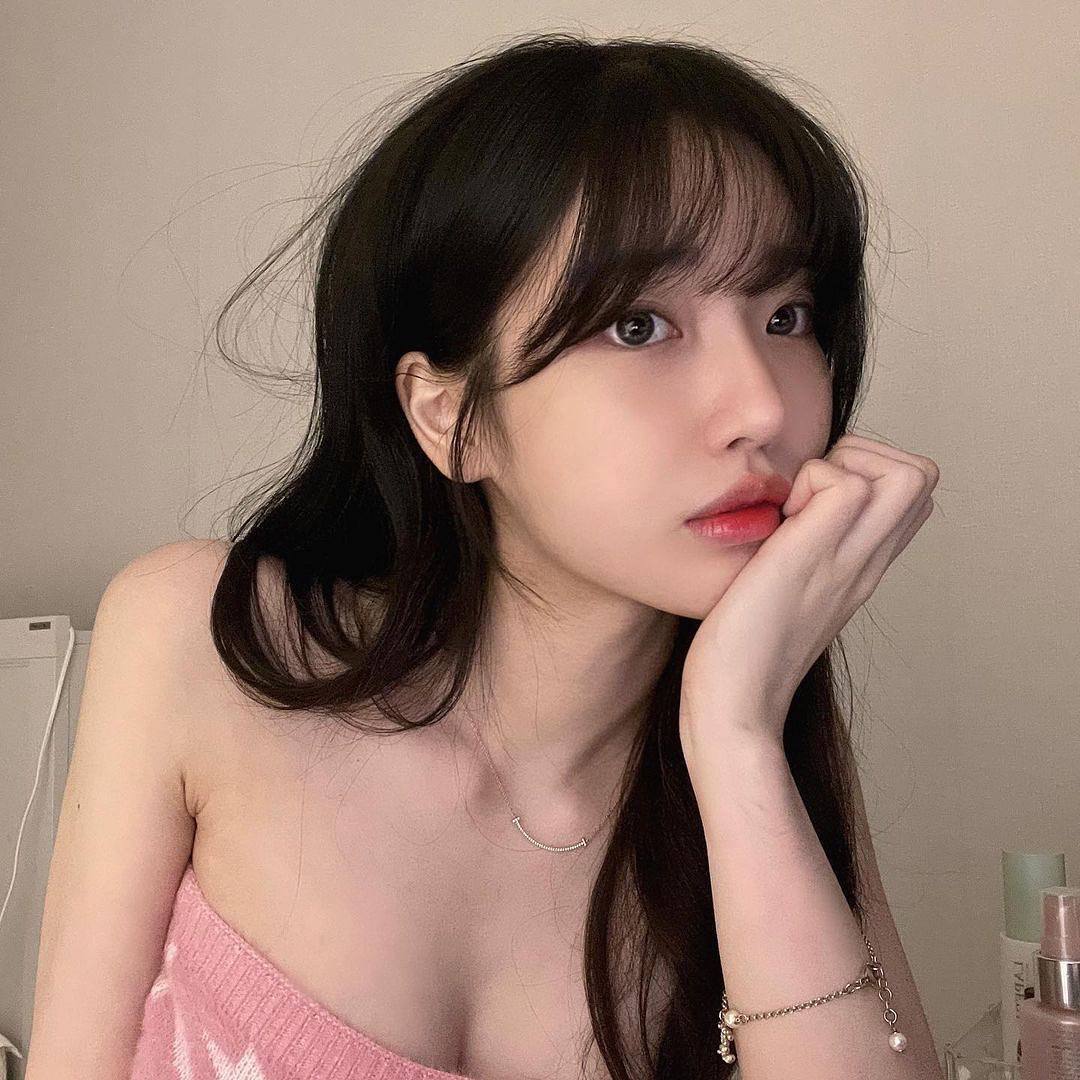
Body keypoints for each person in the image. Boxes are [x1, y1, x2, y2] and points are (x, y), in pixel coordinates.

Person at [27, 30, 944, 1080]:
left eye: (787, 315)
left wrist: (735, 737)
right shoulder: (205, 642)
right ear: (449, 417)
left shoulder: (764, 745)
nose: (763, 408)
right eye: (638, 326)